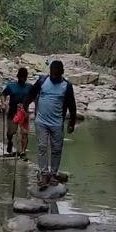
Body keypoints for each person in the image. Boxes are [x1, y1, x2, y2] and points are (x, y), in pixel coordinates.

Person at [24, 60, 76, 190]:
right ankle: (43, 174)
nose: (54, 77)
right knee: (42, 146)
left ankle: (53, 174)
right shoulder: (42, 81)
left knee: (56, 149)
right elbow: (31, 94)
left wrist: (72, 123)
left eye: (57, 75)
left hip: (57, 123)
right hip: (41, 121)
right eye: (52, 74)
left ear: (62, 73)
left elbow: (72, 106)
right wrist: (24, 107)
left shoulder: (67, 86)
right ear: (50, 72)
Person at [0, 68, 31, 155]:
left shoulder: (29, 87)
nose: (23, 79)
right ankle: (10, 141)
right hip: (13, 112)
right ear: (18, 77)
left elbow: (34, 97)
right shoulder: (11, 86)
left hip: (24, 113)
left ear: (26, 77)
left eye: (24, 77)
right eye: (21, 77)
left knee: (24, 133)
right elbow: (3, 94)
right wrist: (3, 103)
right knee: (11, 132)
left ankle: (23, 152)